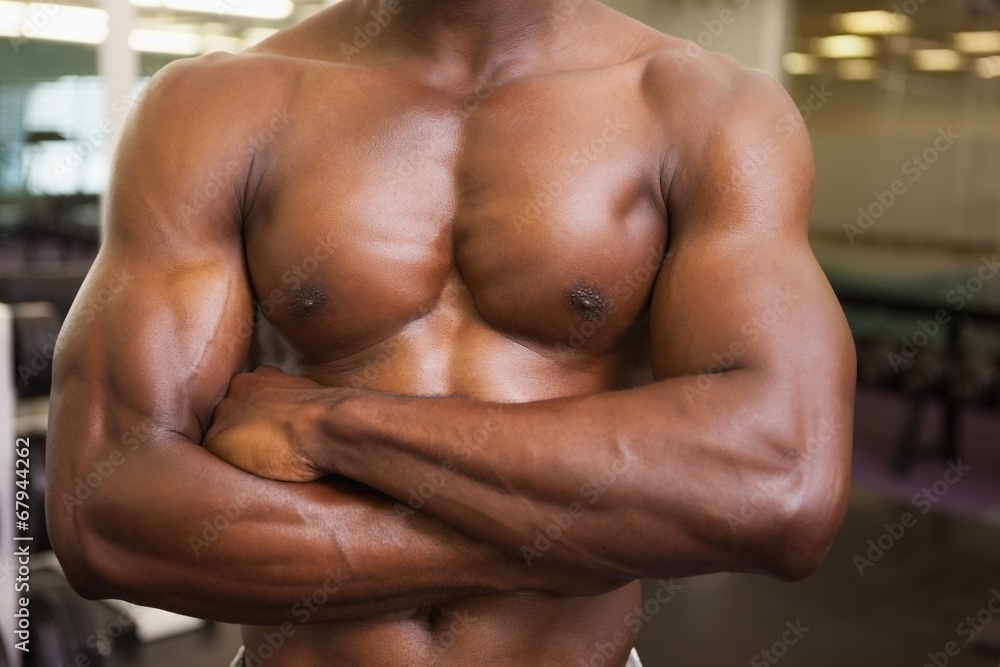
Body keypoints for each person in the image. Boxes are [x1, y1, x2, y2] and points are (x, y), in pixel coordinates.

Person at [45, 0, 856, 664]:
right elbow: (105, 506)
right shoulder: (213, 107)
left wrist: (328, 422)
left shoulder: (707, 109)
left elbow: (779, 482)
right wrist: (569, 537)